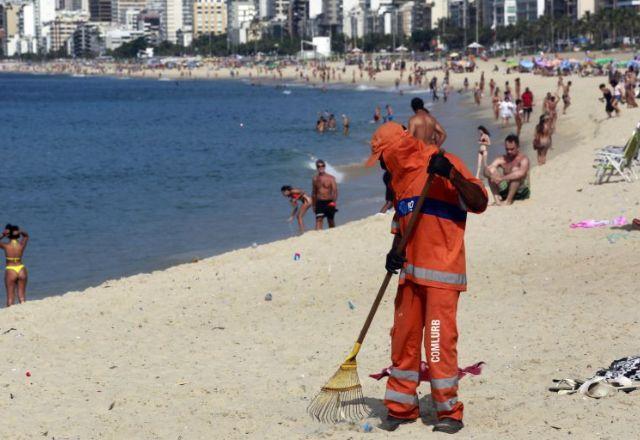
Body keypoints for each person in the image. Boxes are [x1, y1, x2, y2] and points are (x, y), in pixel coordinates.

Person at [364, 122, 488, 434]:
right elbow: (402, 220)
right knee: (403, 340)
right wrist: (394, 251)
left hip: (442, 273)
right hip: (410, 273)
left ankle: (449, 411)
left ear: (394, 150)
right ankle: (401, 407)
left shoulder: (442, 163)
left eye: (382, 156)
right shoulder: (398, 180)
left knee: (438, 344)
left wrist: (451, 174)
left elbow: (479, 202)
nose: (380, 163)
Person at [484, 134, 531, 205]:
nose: (509, 151)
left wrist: (502, 178)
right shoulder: (502, 159)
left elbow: (521, 173)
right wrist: (492, 176)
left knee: (515, 171)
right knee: (491, 170)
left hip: (521, 191)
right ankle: (498, 201)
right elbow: (485, 171)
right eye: (507, 149)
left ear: (518, 147)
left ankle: (508, 201)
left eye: (512, 149)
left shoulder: (523, 159)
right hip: (507, 189)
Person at [0, 224, 29, 307]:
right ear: (18, 235)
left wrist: (3, 234)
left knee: (10, 297)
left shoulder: (6, 246)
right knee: (22, 296)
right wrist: (20, 231)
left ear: (8, 236)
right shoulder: (21, 245)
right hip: (21, 269)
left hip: (11, 270)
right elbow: (26, 235)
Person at [312, 159, 338, 229]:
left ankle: (333, 234)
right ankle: (318, 236)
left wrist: (334, 202)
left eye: (322, 166)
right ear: (316, 167)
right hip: (319, 201)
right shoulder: (315, 178)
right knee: (319, 219)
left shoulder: (331, 178)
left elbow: (335, 191)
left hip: (329, 201)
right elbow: (314, 192)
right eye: (319, 166)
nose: (321, 167)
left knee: (330, 220)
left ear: (325, 166)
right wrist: (313, 205)